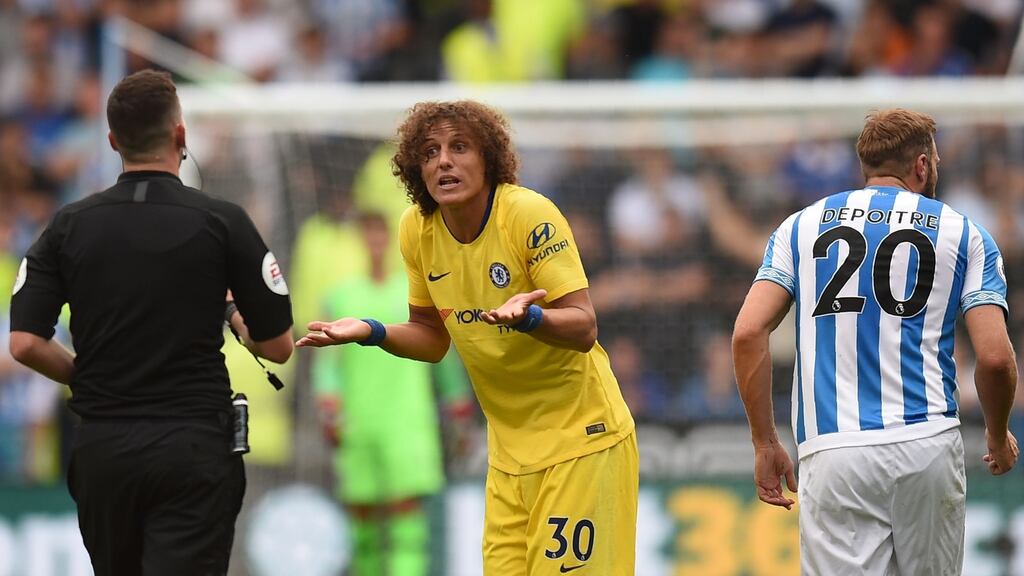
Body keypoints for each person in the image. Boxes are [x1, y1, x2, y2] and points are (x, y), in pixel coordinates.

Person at [297, 100, 638, 575]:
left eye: (459, 147)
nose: (444, 161)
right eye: (430, 152)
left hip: (581, 442)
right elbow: (431, 337)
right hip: (509, 455)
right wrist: (372, 331)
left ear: (488, 159)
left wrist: (531, 319)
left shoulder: (528, 214)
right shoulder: (416, 229)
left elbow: (584, 326)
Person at [8, 69, 294, 576]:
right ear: (180, 135)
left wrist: (85, 378)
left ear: (113, 141)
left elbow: (25, 343)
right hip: (193, 445)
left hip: (105, 450)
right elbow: (278, 346)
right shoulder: (223, 221)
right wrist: (231, 311)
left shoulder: (69, 225)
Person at [732, 108, 1019, 575]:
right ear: (921, 165)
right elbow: (994, 359)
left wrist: (765, 442)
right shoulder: (965, 233)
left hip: (834, 447)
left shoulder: (799, 227)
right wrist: (996, 432)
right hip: (927, 441)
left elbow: (748, 333)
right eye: (935, 161)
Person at [313, 211, 474, 576]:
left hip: (407, 420)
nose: (374, 242)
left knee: (407, 523)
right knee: (363, 525)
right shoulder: (340, 297)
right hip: (359, 422)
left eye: (379, 234)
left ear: (389, 240)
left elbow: (440, 351)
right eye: (367, 234)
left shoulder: (413, 292)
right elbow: (328, 364)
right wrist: (328, 403)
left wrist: (457, 401)